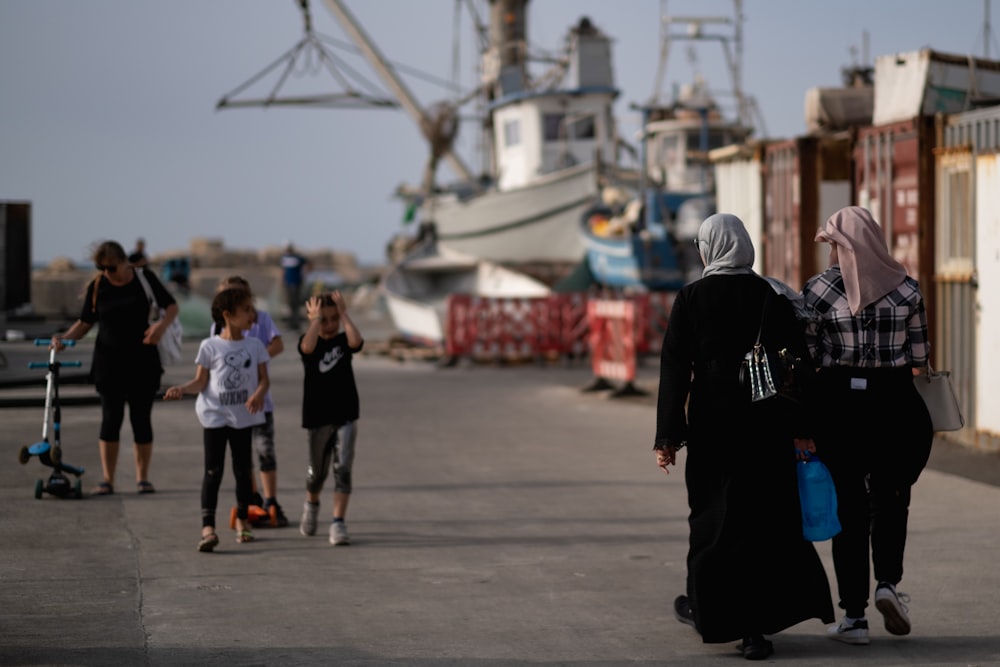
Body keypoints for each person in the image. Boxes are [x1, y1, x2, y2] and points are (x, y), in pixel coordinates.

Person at [653, 213, 834, 660]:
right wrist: (804, 430)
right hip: (765, 421)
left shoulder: (691, 297)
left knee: (713, 518)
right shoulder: (770, 295)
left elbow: (675, 370)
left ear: (708, 248)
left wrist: (668, 437)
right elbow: (798, 367)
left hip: (714, 423)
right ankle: (755, 630)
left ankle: (709, 610)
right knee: (763, 519)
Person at [802, 206, 933, 644]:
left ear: (843, 246)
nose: (831, 253)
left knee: (849, 511)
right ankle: (888, 584)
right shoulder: (908, 289)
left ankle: (854, 618)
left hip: (839, 405)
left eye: (833, 244)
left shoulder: (818, 291)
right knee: (891, 498)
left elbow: (811, 357)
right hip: (895, 403)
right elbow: (920, 358)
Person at [52, 240, 178, 496]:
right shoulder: (99, 285)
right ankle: (107, 479)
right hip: (109, 363)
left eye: (111, 267)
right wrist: (63, 340)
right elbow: (86, 321)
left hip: (143, 362)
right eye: (101, 267)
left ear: (123, 261)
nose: (106, 272)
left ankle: (143, 478)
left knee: (141, 419)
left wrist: (160, 327)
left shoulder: (144, 278)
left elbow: (171, 306)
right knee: (110, 419)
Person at [164, 286, 270, 552]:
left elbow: (265, 380)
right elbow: (200, 381)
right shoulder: (210, 346)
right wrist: (182, 389)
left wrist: (258, 394)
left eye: (251, 309)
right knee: (213, 471)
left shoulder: (255, 345)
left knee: (243, 470)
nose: (251, 314)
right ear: (227, 314)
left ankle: (242, 519)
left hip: (243, 418)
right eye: (246, 309)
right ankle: (208, 528)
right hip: (214, 416)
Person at [209, 275, 289, 526]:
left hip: (260, 401)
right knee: (242, 459)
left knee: (265, 451)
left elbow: (278, 343)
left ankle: (271, 499)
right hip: (233, 406)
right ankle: (251, 497)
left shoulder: (261, 320)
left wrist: (256, 356)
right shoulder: (216, 328)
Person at [297, 291, 363, 546]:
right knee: (317, 473)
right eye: (324, 320)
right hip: (317, 417)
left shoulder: (343, 341)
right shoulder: (310, 342)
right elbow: (307, 347)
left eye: (333, 319)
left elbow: (356, 342)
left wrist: (344, 313)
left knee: (343, 469)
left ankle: (338, 522)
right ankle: (311, 504)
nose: (330, 325)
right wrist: (315, 321)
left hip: (346, 415)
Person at [280, 242, 310, 330]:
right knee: (290, 303)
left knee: (295, 303)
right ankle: (291, 321)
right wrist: (282, 281)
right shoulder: (284, 258)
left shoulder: (298, 258)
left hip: (296, 283)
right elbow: (283, 271)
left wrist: (304, 274)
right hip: (288, 283)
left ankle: (296, 321)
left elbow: (307, 264)